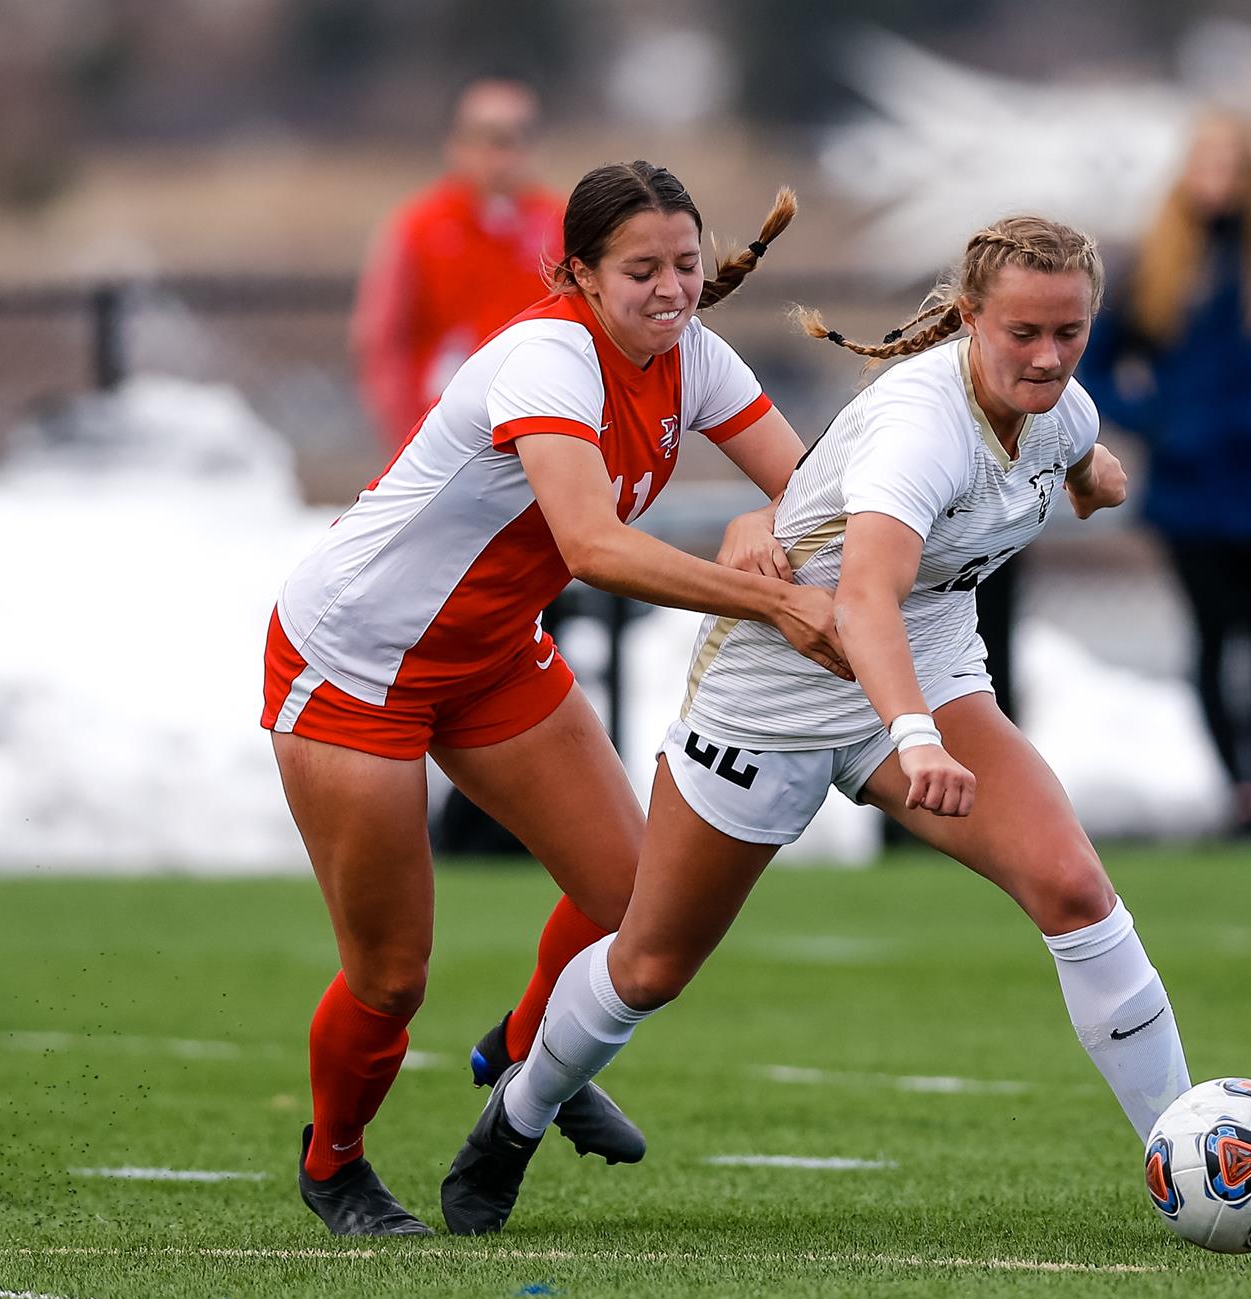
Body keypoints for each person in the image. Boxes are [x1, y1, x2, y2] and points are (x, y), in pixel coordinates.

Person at [439, 216, 1193, 1236]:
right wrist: (914, 736)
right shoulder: (917, 427)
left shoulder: (1059, 406)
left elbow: (1071, 455)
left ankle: (1184, 1152)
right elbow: (865, 598)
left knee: (1072, 887)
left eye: (1070, 331)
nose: (1048, 355)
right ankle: (513, 1117)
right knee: (649, 963)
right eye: (1022, 332)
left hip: (920, 674)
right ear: (969, 319)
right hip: (774, 693)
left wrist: (1092, 476)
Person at [263, 160, 850, 1236]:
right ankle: (334, 1162)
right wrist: (768, 602)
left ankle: (528, 1051)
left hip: (487, 652)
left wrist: (780, 521)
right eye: (640, 270)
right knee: (391, 977)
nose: (671, 289)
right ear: (576, 272)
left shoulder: (693, 356)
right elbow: (593, 546)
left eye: (683, 262)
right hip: (354, 658)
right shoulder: (545, 357)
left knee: (634, 896)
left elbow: (815, 490)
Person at [1073, 111, 1251, 832]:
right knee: (1215, 638)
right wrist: (1160, 420)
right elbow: (1094, 364)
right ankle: (1240, 785)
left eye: (1232, 165)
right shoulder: (1158, 265)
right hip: (1195, 490)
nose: (1218, 179)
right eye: (1207, 163)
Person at [351, 79, 564, 455]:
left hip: (542, 429)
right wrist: (406, 433)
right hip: (441, 431)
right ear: (457, 143)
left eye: (515, 138)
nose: (500, 155)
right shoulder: (419, 227)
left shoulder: (560, 224)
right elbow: (382, 336)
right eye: (487, 138)